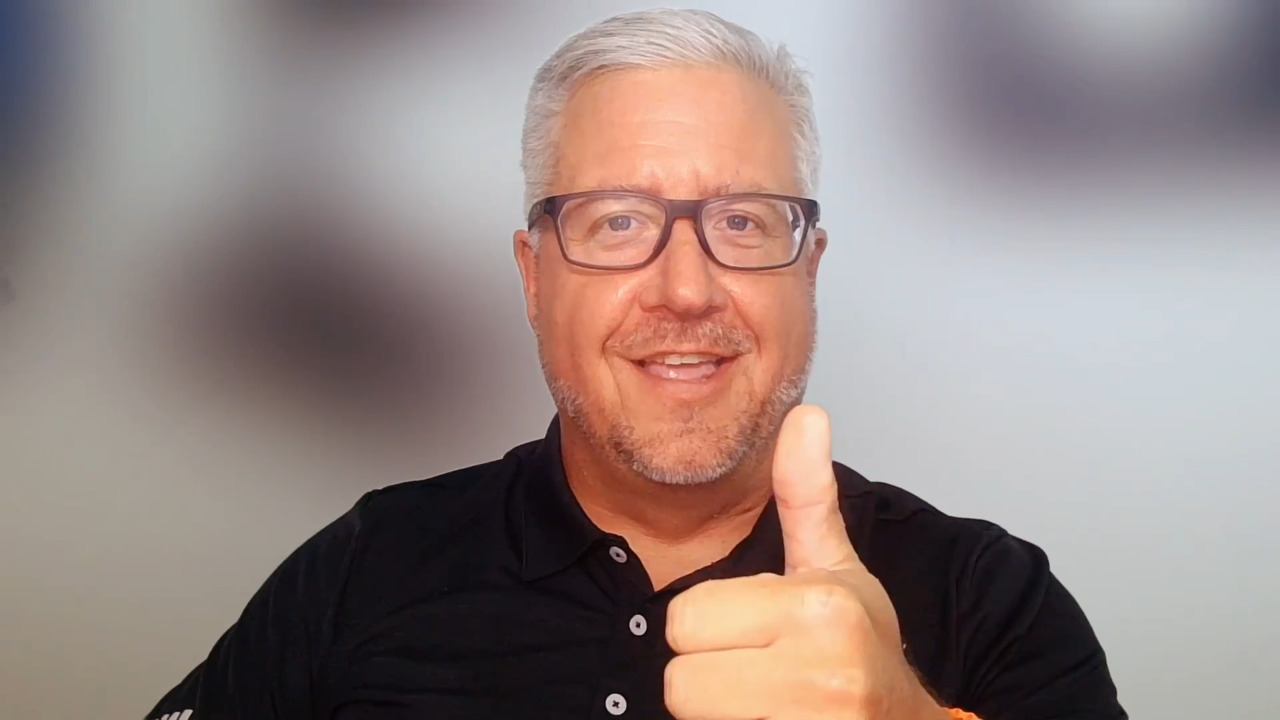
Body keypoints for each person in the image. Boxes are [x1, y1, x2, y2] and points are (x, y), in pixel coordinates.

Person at [146, 9, 1126, 720]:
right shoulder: (367, 566)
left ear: (809, 270)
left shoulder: (987, 598)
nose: (686, 289)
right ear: (534, 278)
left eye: (742, 223)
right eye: (616, 223)